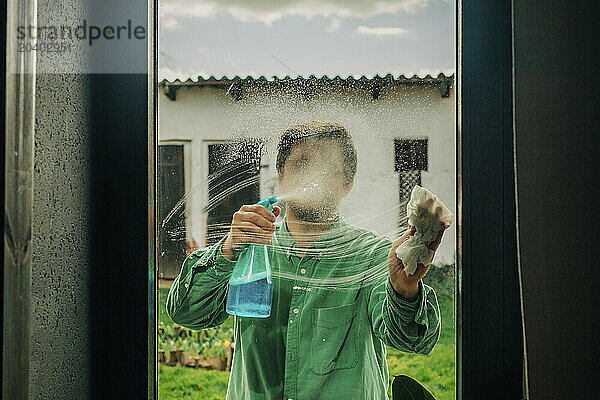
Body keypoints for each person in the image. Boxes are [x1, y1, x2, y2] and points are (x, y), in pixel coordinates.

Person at [166, 121, 446, 400]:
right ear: (281, 177)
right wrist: (228, 249)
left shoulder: (372, 256)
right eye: (301, 165)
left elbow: (413, 339)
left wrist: (406, 290)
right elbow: (185, 312)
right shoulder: (248, 250)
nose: (313, 178)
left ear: (348, 183)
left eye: (326, 169)